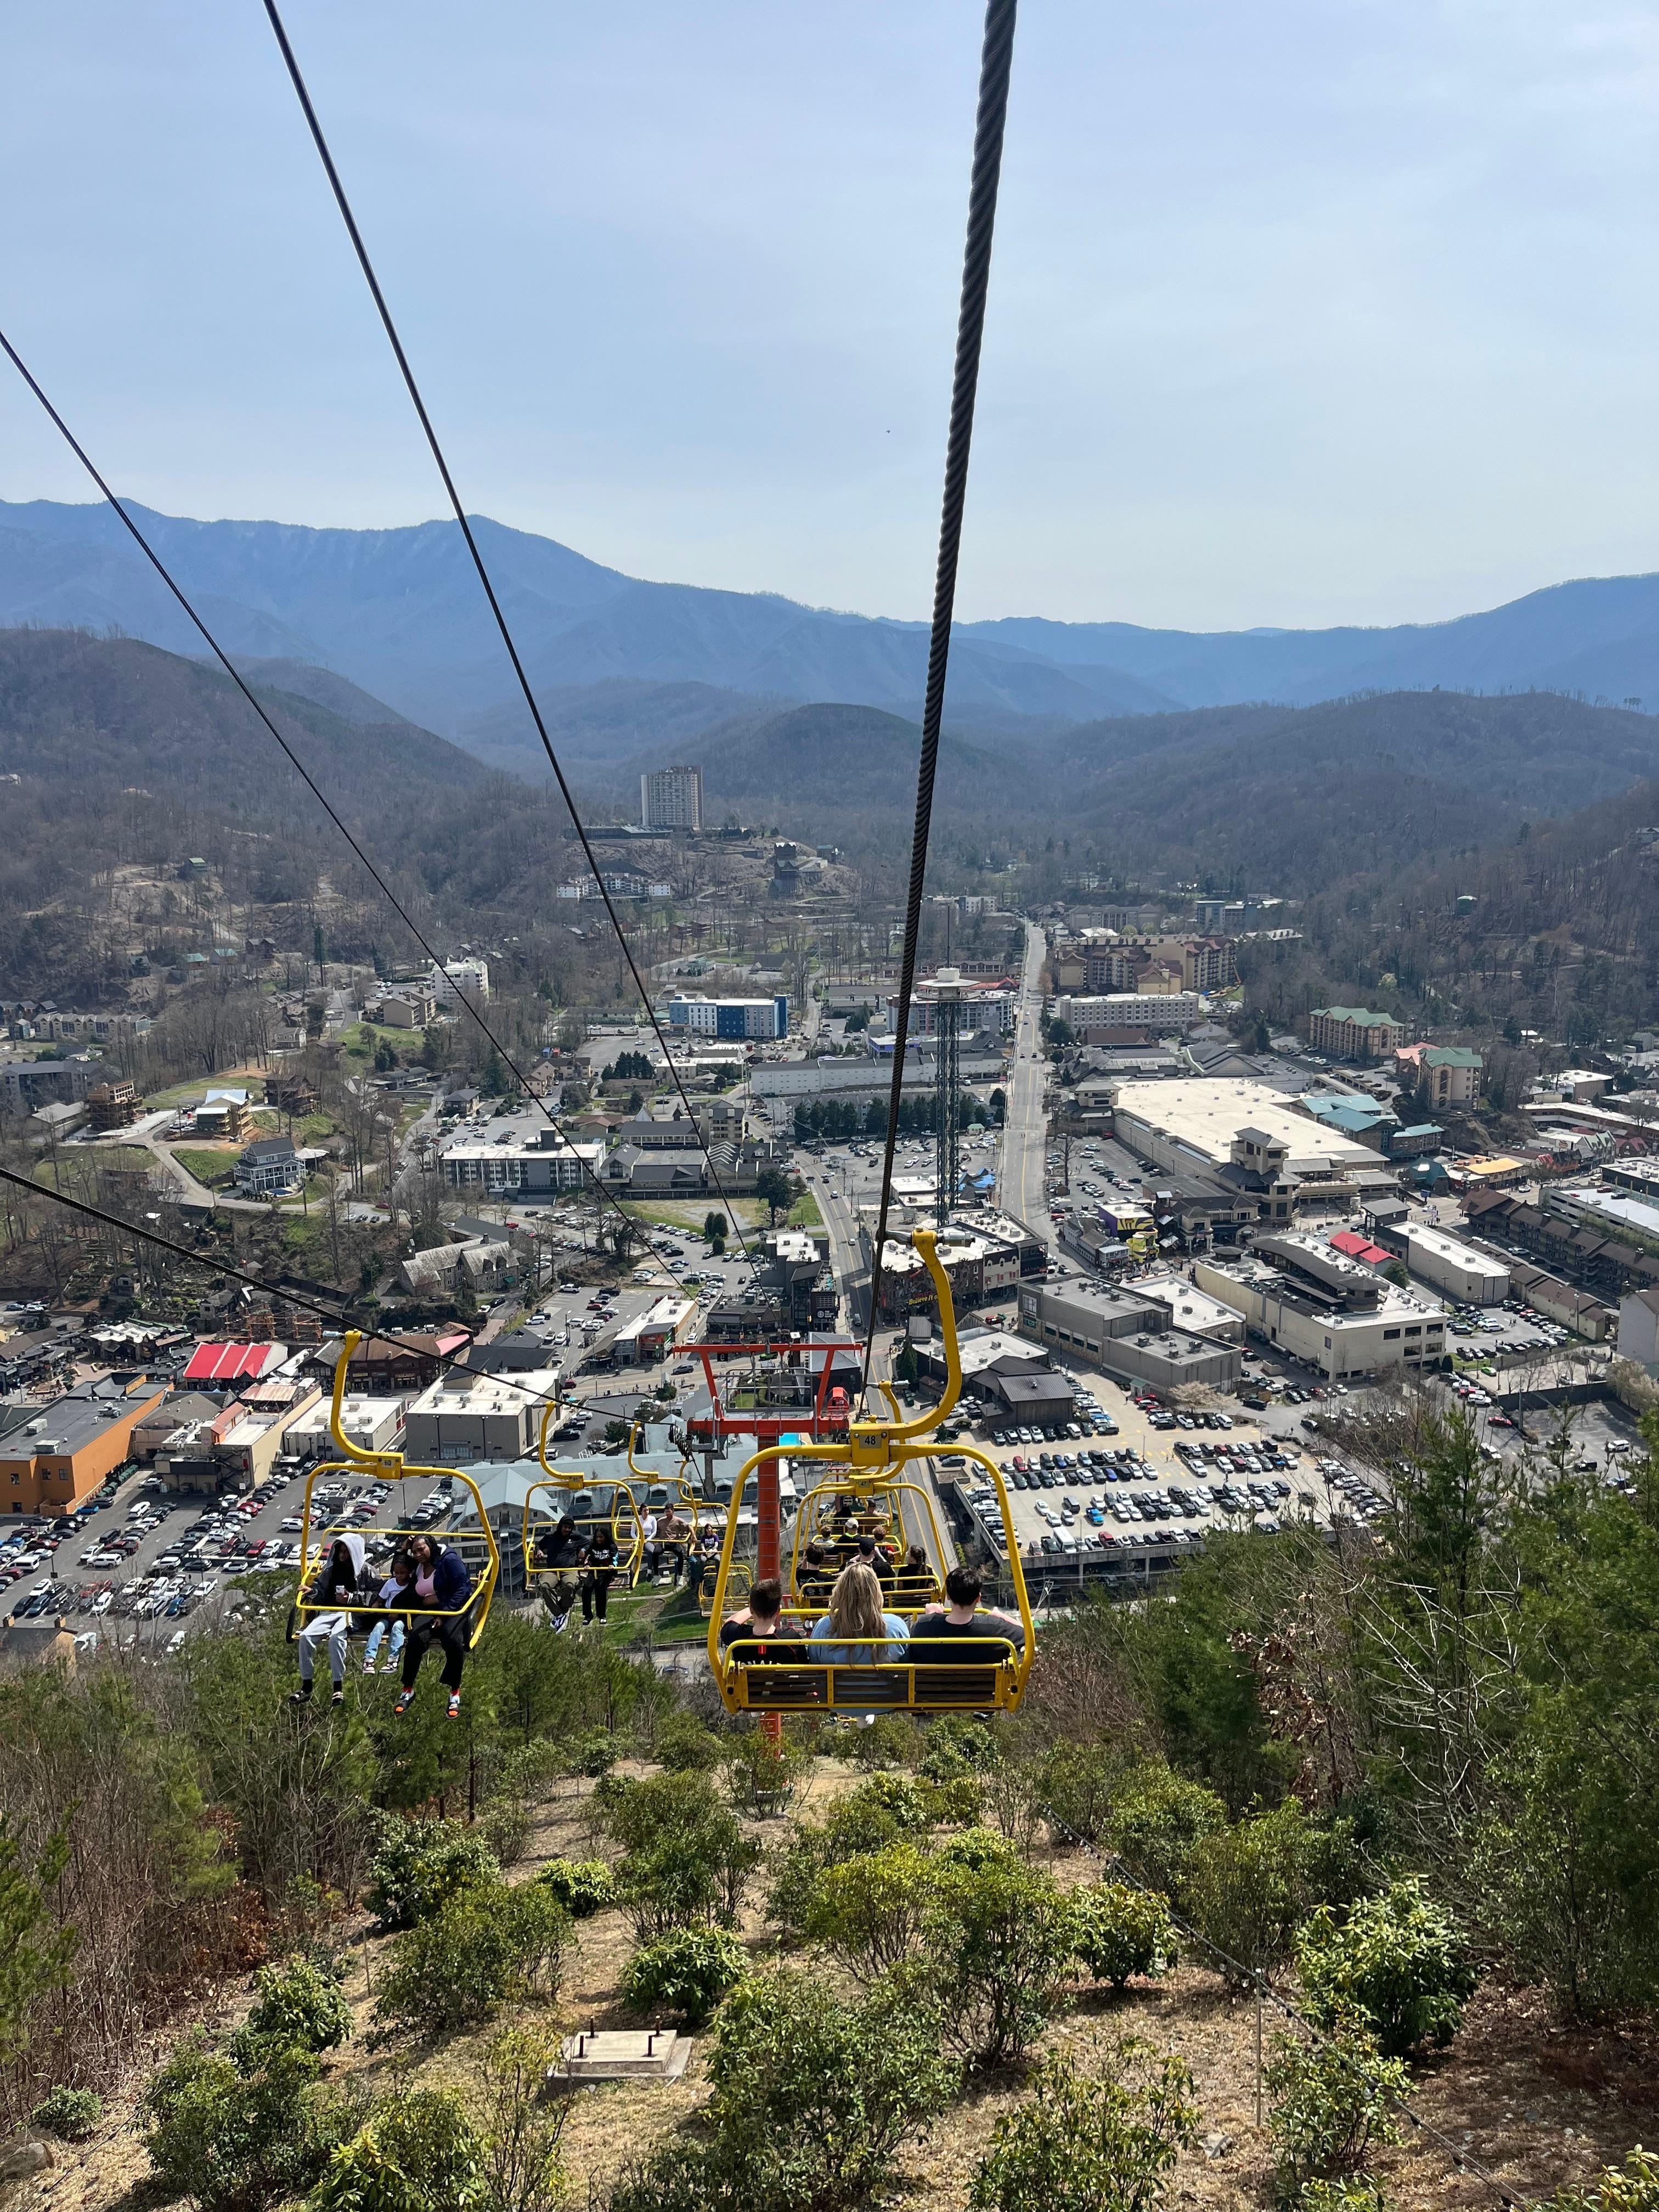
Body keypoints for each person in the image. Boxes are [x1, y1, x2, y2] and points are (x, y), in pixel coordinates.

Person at [394, 1532, 475, 1720]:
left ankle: (454, 1691)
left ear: (431, 1546)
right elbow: (398, 1565)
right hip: (429, 1608)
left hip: (454, 1606)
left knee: (452, 1639)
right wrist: (404, 1549)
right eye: (414, 1552)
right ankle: (408, 1688)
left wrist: (443, 1612)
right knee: (416, 1639)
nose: (417, 1555)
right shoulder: (419, 1563)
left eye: (421, 1550)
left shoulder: (449, 1561)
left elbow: (463, 1589)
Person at [290, 1534, 371, 1706]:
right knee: (306, 1637)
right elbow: (321, 1590)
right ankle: (306, 1686)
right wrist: (311, 1592)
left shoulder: (366, 1571)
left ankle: (338, 1686)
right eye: (340, 1551)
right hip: (330, 1612)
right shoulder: (331, 1569)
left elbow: (377, 1595)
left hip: (351, 1614)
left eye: (347, 1552)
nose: (343, 1556)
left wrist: (351, 1598)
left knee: (336, 1638)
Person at [904, 1565, 1025, 1662]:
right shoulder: (996, 1629)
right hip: (985, 1692)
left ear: (948, 1596)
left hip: (931, 1692)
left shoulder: (923, 1627)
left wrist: (930, 1617)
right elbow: (1026, 1635)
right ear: (978, 1599)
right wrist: (1000, 1616)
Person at [807, 1560, 908, 1667]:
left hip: (837, 1684)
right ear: (875, 1592)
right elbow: (907, 1660)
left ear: (840, 1593)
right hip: (885, 1684)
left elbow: (815, 1663)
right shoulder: (896, 1626)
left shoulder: (823, 1628)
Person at [717, 1576, 802, 1660]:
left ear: (751, 1609)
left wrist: (753, 1607)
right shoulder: (792, 1640)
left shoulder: (736, 1637)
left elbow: (729, 1623)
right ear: (778, 1610)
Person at [362, 1545, 414, 1674]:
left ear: (409, 1572)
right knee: (378, 1627)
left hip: (402, 1617)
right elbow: (380, 1600)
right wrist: (375, 1610)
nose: (400, 1576)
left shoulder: (412, 1586)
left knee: (397, 1628)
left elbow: (412, 1603)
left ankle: (393, 1659)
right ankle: (369, 1658)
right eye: (397, 1573)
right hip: (387, 1614)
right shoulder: (390, 1584)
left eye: (403, 1573)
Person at [534, 1514, 586, 1632]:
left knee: (570, 1585)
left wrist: (583, 1550)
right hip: (552, 1569)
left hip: (569, 1569)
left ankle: (560, 1614)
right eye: (565, 1527)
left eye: (569, 1528)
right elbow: (538, 1544)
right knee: (545, 1586)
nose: (567, 1530)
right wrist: (539, 1551)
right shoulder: (550, 1537)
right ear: (560, 1526)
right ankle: (560, 1615)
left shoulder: (576, 1537)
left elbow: (589, 1543)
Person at [579, 1523, 620, 1624]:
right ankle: (588, 1615)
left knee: (600, 1589)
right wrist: (586, 1563)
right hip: (594, 1571)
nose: (599, 1539)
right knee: (586, 1589)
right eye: (597, 1537)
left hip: (606, 1571)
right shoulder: (593, 1545)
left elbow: (615, 1556)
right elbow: (586, 1554)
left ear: (605, 1537)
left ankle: (602, 1615)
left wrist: (612, 1565)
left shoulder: (611, 1546)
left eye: (601, 1537)